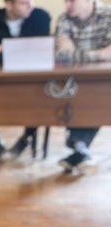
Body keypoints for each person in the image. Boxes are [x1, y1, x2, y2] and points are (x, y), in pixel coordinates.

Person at [0, 0, 51, 158]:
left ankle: (26, 137)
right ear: (9, 5)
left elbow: (40, 54)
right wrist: (22, 49)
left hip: (30, 80)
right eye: (24, 3)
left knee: (42, 97)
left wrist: (5, 48)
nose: (30, 6)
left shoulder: (40, 17)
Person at [54, 0, 111, 171]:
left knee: (94, 95)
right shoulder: (64, 19)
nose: (67, 6)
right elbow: (62, 55)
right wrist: (99, 54)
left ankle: (79, 147)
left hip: (105, 80)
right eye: (65, 1)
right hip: (77, 81)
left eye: (72, 1)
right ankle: (80, 149)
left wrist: (76, 53)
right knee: (70, 94)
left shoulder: (108, 15)